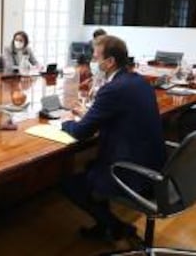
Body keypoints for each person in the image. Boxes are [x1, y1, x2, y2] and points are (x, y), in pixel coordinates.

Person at [61, 35, 166, 242]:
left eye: (96, 56)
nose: (93, 60)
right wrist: (90, 113)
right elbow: (118, 114)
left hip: (131, 172)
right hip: (155, 168)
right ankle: (106, 227)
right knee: (92, 166)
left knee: (69, 184)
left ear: (110, 62)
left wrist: (65, 122)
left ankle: (115, 226)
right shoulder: (139, 82)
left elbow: (82, 132)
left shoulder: (113, 89)